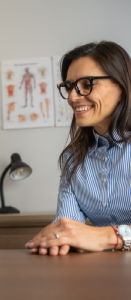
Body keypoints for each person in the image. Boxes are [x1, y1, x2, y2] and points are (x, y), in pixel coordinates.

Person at [26, 41, 131, 255]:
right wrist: (55, 242)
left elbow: (93, 237)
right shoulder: (73, 159)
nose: (73, 97)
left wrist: (107, 236)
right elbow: (67, 227)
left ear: (121, 86)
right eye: (70, 87)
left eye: (87, 84)